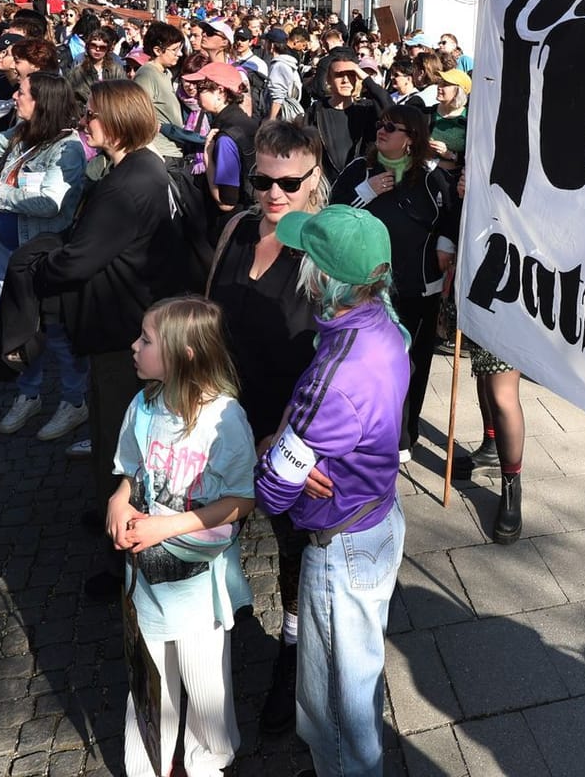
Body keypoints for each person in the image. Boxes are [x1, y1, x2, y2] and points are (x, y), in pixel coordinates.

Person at [254, 206, 408, 777]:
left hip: (341, 544)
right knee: (346, 680)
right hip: (374, 518)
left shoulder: (333, 374)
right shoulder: (385, 324)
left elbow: (272, 493)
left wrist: (272, 445)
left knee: (340, 697)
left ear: (325, 278)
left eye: (306, 258)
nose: (299, 266)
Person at [204, 119, 324, 733]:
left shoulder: (323, 252)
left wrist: (286, 433)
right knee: (214, 534)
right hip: (223, 419)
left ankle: (292, 661)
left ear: (313, 180)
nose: (275, 193)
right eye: (263, 179)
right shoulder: (235, 230)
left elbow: (334, 359)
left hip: (288, 432)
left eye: (289, 181)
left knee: (293, 553)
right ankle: (210, 645)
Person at [109, 296, 255, 777]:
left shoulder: (224, 420)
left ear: (184, 354)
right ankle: (147, 762)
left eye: (146, 340)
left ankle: (207, 761)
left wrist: (165, 527)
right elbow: (132, 471)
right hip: (148, 585)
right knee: (151, 682)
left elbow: (240, 502)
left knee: (205, 682)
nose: (134, 346)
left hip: (198, 590)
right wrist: (120, 499)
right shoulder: (143, 405)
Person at [29, 82, 191, 487]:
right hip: (137, 317)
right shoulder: (143, 166)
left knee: (118, 424)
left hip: (122, 328)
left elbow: (75, 262)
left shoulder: (124, 186)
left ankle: (118, 515)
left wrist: (37, 267)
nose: (84, 121)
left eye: (92, 114)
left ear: (117, 122)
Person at [0, 73, 88, 443]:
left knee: (54, 328)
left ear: (43, 102)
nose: (14, 96)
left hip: (37, 255)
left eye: (22, 92)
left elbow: (52, 203)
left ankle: (74, 400)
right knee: (17, 325)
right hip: (6, 251)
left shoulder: (67, 148)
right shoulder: (23, 132)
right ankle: (28, 393)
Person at [332, 104, 459, 464]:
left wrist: (445, 244)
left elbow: (452, 214)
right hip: (367, 290)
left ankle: (406, 434)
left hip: (419, 289)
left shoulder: (431, 176)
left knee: (412, 364)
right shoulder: (362, 169)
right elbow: (334, 214)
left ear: (411, 139)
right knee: (371, 363)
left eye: (392, 127)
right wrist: (367, 191)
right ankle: (369, 430)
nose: (382, 131)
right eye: (381, 125)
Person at [188, 61, 258, 215]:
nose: (195, 93)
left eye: (200, 89)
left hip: (235, 220)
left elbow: (226, 203)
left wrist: (208, 159)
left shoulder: (226, 138)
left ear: (220, 91)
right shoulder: (246, 121)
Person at [304, 53, 386, 182]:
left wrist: (366, 78)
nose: (346, 80)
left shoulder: (366, 109)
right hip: (325, 185)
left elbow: (392, 111)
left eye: (351, 74)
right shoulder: (315, 111)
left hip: (360, 184)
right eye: (339, 75)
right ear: (328, 80)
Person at [132, 21, 187, 169]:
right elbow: (137, 117)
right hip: (161, 154)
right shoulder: (146, 74)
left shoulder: (166, 73)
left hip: (173, 152)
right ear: (157, 50)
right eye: (174, 50)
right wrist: (154, 152)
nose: (179, 54)